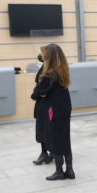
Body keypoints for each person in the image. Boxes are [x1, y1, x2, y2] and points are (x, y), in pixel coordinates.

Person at [30, 44, 75, 180]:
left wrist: (40, 94)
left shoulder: (49, 74)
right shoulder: (62, 69)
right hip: (64, 107)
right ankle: (70, 170)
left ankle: (59, 172)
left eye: (43, 54)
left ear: (49, 56)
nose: (41, 56)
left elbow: (35, 94)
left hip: (53, 110)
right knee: (65, 138)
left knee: (55, 140)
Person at [32, 50, 54, 166]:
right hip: (41, 103)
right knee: (41, 128)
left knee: (46, 128)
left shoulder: (50, 69)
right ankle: (45, 152)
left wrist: (35, 94)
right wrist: (38, 92)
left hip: (47, 103)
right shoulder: (44, 66)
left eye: (41, 53)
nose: (39, 54)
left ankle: (49, 153)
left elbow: (42, 88)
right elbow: (39, 86)